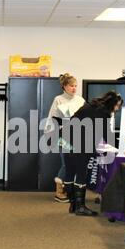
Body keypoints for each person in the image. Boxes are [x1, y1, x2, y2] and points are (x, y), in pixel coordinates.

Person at [62, 91, 122, 216]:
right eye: (117, 106)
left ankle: (73, 205)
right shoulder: (104, 114)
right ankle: (80, 207)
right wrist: (121, 148)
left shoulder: (88, 105)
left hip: (65, 140)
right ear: (112, 104)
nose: (117, 109)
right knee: (81, 174)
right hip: (80, 144)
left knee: (69, 172)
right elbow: (108, 136)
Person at [45, 73, 85, 202]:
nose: (74, 88)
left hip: (78, 136)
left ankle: (70, 189)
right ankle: (59, 192)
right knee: (66, 163)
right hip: (63, 136)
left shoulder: (80, 100)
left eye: (75, 86)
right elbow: (52, 118)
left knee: (76, 163)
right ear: (64, 86)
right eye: (71, 86)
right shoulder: (59, 99)